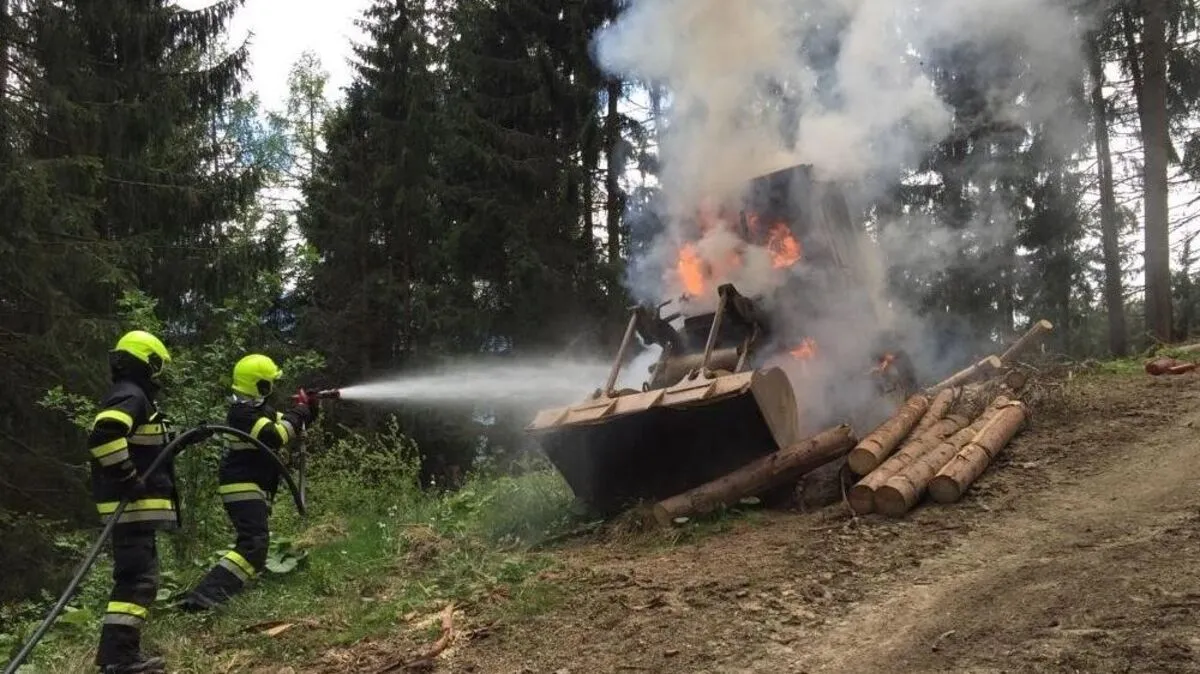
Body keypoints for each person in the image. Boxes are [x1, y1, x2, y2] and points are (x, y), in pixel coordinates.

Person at [178, 353, 318, 611]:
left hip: (253, 486)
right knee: (254, 544)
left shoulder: (257, 410)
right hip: (242, 485)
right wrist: (298, 412)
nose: (273, 387)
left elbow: (289, 424)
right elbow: (275, 436)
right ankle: (204, 597)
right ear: (261, 385)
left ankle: (212, 593)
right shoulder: (241, 414)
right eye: (270, 382)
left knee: (255, 545)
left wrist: (309, 410)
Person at [89, 330, 175, 674]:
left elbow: (145, 448)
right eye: (158, 366)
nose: (160, 374)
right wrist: (126, 478)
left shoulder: (133, 396)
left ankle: (119, 655)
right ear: (148, 363)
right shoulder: (132, 395)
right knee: (136, 581)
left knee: (137, 578)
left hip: (133, 512)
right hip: (130, 510)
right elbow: (105, 434)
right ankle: (120, 659)